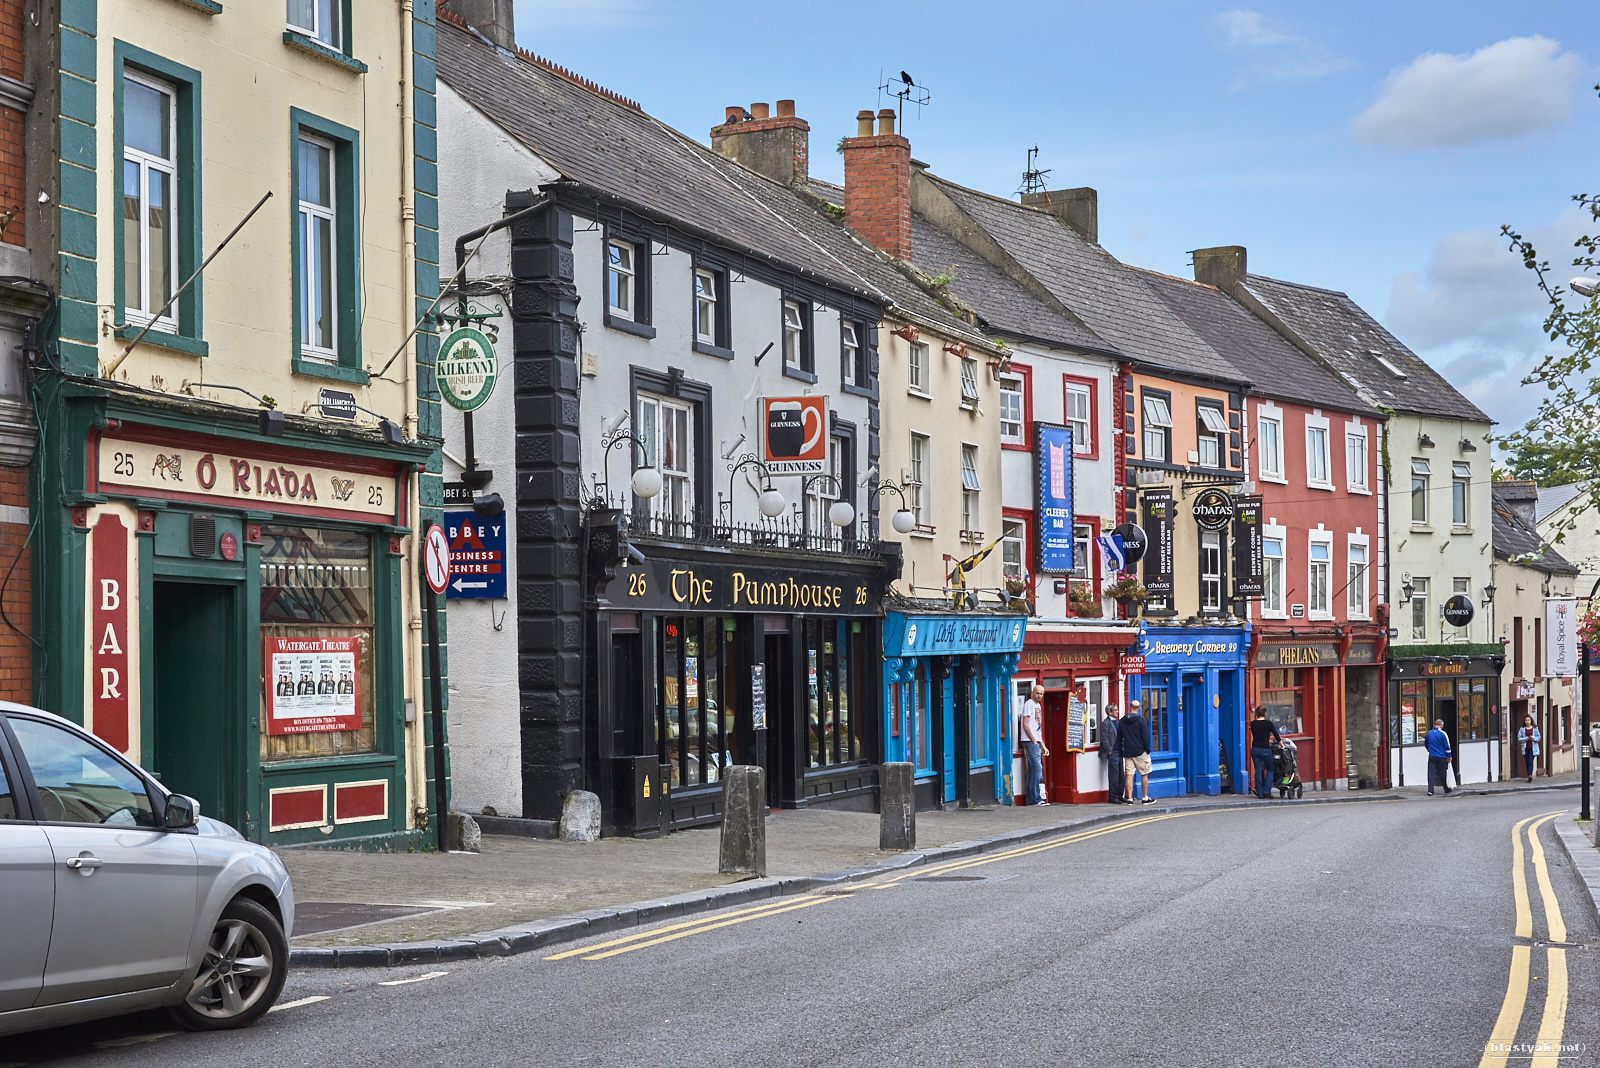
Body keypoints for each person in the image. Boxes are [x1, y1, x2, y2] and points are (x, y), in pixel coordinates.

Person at [1120, 699, 1155, 804]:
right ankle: (1144, 798)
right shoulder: (1141, 720)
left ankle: (1129, 799)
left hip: (1128, 752)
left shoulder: (1122, 721)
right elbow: (1146, 737)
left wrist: (1122, 750)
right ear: (1139, 708)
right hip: (1140, 751)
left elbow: (1119, 738)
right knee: (1144, 774)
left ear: (1129, 707)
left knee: (1129, 775)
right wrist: (1147, 749)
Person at [1020, 684, 1049, 806]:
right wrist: (1032, 740)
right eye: (1037, 693)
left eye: (1041, 694)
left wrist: (1043, 745)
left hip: (1035, 741)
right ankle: (1036, 799)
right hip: (1030, 740)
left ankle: (1031, 800)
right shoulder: (1029, 704)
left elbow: (1037, 729)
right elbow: (1025, 724)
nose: (1039, 696)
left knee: (1033, 769)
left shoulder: (1038, 706)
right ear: (1032, 693)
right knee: (1037, 768)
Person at [1248, 706, 1283, 799]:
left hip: (1255, 749)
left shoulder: (1253, 724)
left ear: (1256, 714)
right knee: (1270, 769)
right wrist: (1281, 744)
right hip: (1265, 749)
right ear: (1265, 713)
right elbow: (1276, 735)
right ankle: (1267, 791)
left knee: (1258, 770)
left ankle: (1260, 793)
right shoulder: (1268, 723)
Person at [1100, 703, 1129, 804]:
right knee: (1114, 775)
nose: (1117, 711)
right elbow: (1104, 739)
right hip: (1113, 752)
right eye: (1115, 710)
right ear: (1109, 712)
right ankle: (1112, 796)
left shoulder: (1118, 722)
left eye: (1117, 710)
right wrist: (1109, 751)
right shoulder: (1105, 723)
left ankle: (1120, 795)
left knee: (1121, 774)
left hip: (1120, 751)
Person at [1425, 718, 1453, 795]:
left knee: (1431, 774)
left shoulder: (1429, 733)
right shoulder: (1443, 734)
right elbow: (1447, 746)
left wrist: (1429, 750)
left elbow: (1426, 744)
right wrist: (1449, 756)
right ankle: (1446, 789)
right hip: (1442, 756)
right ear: (1441, 725)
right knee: (1443, 773)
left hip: (1432, 756)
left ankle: (1430, 790)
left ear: (1434, 725)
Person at [1516, 714, 1541, 782]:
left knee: (1530, 761)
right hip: (1525, 748)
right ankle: (1529, 775)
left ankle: (1530, 775)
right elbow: (1519, 738)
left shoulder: (1535, 728)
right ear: (1524, 721)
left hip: (1533, 748)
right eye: (1526, 720)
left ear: (1531, 721)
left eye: (1529, 720)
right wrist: (1526, 738)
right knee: (1527, 762)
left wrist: (1533, 738)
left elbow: (1538, 737)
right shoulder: (1522, 729)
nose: (1527, 721)